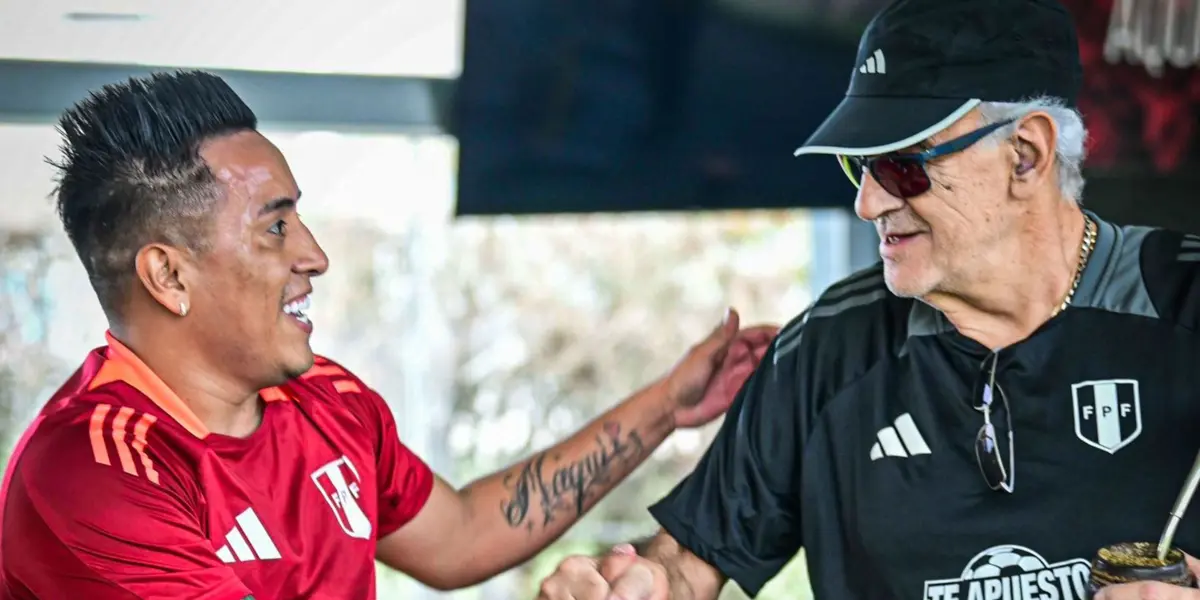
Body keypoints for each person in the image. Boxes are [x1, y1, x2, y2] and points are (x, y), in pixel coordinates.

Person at [0, 71, 776, 599]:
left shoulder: (326, 402)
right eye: (275, 227)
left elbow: (464, 535)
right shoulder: (92, 472)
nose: (315, 256)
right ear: (169, 277)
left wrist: (665, 408)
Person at [535, 0, 1200, 599]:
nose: (868, 202)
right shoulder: (827, 350)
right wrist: (637, 583)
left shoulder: (1186, 303)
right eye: (860, 165)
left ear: (1025, 156)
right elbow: (688, 563)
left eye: (903, 167)